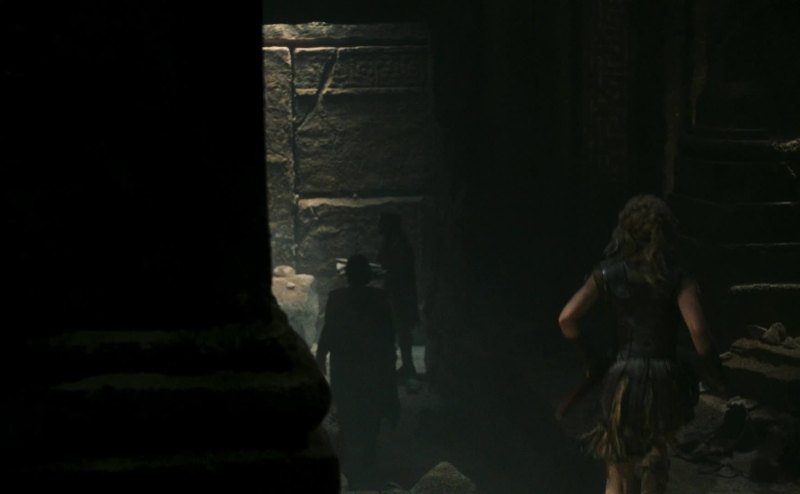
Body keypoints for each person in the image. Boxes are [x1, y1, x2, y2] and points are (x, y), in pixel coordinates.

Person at [557, 195, 726, 494]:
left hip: (620, 380)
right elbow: (699, 331)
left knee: (618, 475)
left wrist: (592, 361)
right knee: (655, 464)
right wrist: (716, 374)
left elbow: (567, 318)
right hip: (664, 381)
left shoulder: (606, 273)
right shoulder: (677, 277)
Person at [316, 254, 399, 484]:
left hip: (346, 363)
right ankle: (368, 451)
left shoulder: (336, 298)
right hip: (371, 363)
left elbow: (328, 330)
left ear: (348, 275)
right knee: (370, 406)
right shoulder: (379, 298)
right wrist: (389, 363)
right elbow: (388, 334)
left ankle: (348, 453)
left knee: (348, 406)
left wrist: (321, 355)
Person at [377, 212, 419, 377]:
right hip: (397, 293)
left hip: (400, 294)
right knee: (400, 331)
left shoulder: (399, 246)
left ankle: (407, 367)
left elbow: (398, 272)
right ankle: (406, 366)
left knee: (401, 331)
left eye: (381, 222)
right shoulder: (393, 244)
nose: (378, 226)